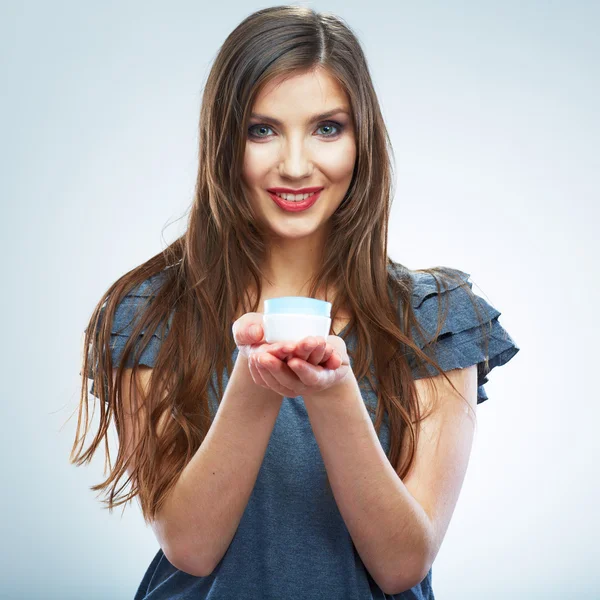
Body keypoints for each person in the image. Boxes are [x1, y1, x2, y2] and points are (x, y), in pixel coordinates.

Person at [72, 5, 520, 599]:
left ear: (363, 138)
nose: (295, 164)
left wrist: (333, 393)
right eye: (263, 130)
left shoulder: (436, 319)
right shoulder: (152, 314)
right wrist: (257, 379)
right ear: (224, 143)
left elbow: (402, 563)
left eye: (327, 128)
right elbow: (191, 545)